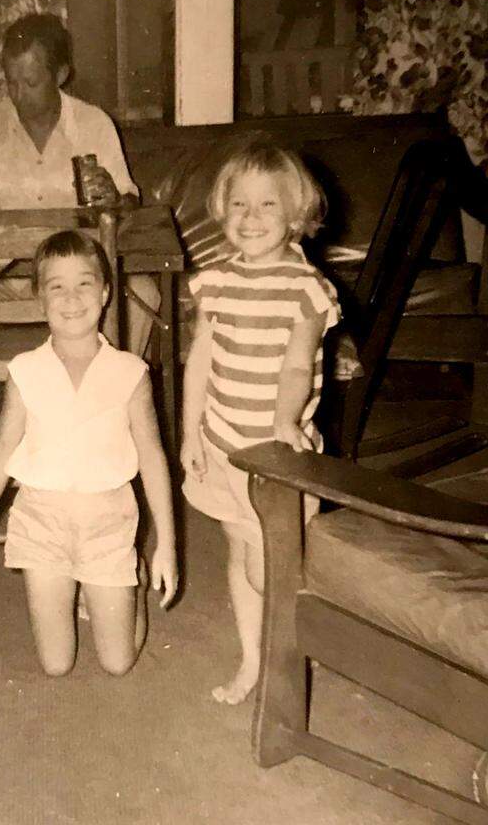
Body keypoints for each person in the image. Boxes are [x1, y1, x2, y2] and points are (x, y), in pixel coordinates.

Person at [0, 230, 178, 677]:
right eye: (57, 286)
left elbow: (152, 459)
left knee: (117, 662)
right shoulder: (25, 371)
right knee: (56, 665)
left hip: (108, 522)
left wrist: (166, 543)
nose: (72, 298)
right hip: (41, 522)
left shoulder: (130, 372)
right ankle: (78, 588)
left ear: (106, 292)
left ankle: (133, 584)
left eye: (84, 283)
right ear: (40, 298)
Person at [180, 138, 339, 703]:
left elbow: (298, 365)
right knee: (237, 548)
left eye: (267, 205)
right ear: (223, 211)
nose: (251, 218)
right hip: (222, 445)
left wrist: (282, 423)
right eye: (239, 205)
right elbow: (200, 360)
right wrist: (189, 433)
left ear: (295, 213)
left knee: (271, 566)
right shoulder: (216, 281)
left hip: (273, 454)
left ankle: (288, 655)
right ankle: (253, 661)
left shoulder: (305, 289)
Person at [0, 12, 162, 357]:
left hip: (78, 276)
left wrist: (116, 201)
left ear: (60, 75)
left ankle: (105, 390)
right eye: (11, 83)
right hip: (8, 279)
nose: (18, 95)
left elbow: (128, 202)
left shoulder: (93, 124)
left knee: (144, 293)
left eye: (30, 83)